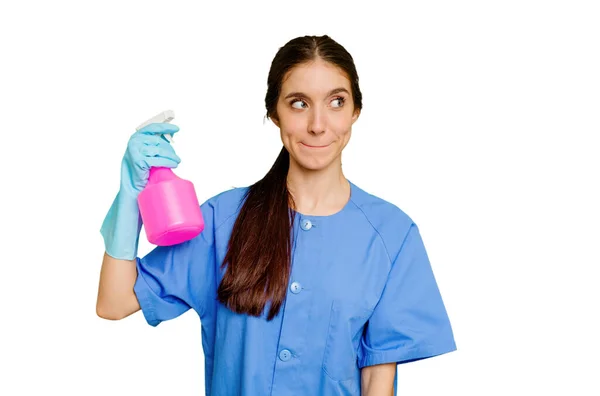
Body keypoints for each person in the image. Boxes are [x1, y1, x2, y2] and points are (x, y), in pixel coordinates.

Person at [96, 34, 457, 396]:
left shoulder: (392, 235)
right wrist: (131, 199)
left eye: (336, 101)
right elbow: (114, 303)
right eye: (299, 103)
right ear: (274, 113)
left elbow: (377, 379)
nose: (318, 124)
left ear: (355, 112)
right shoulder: (225, 220)